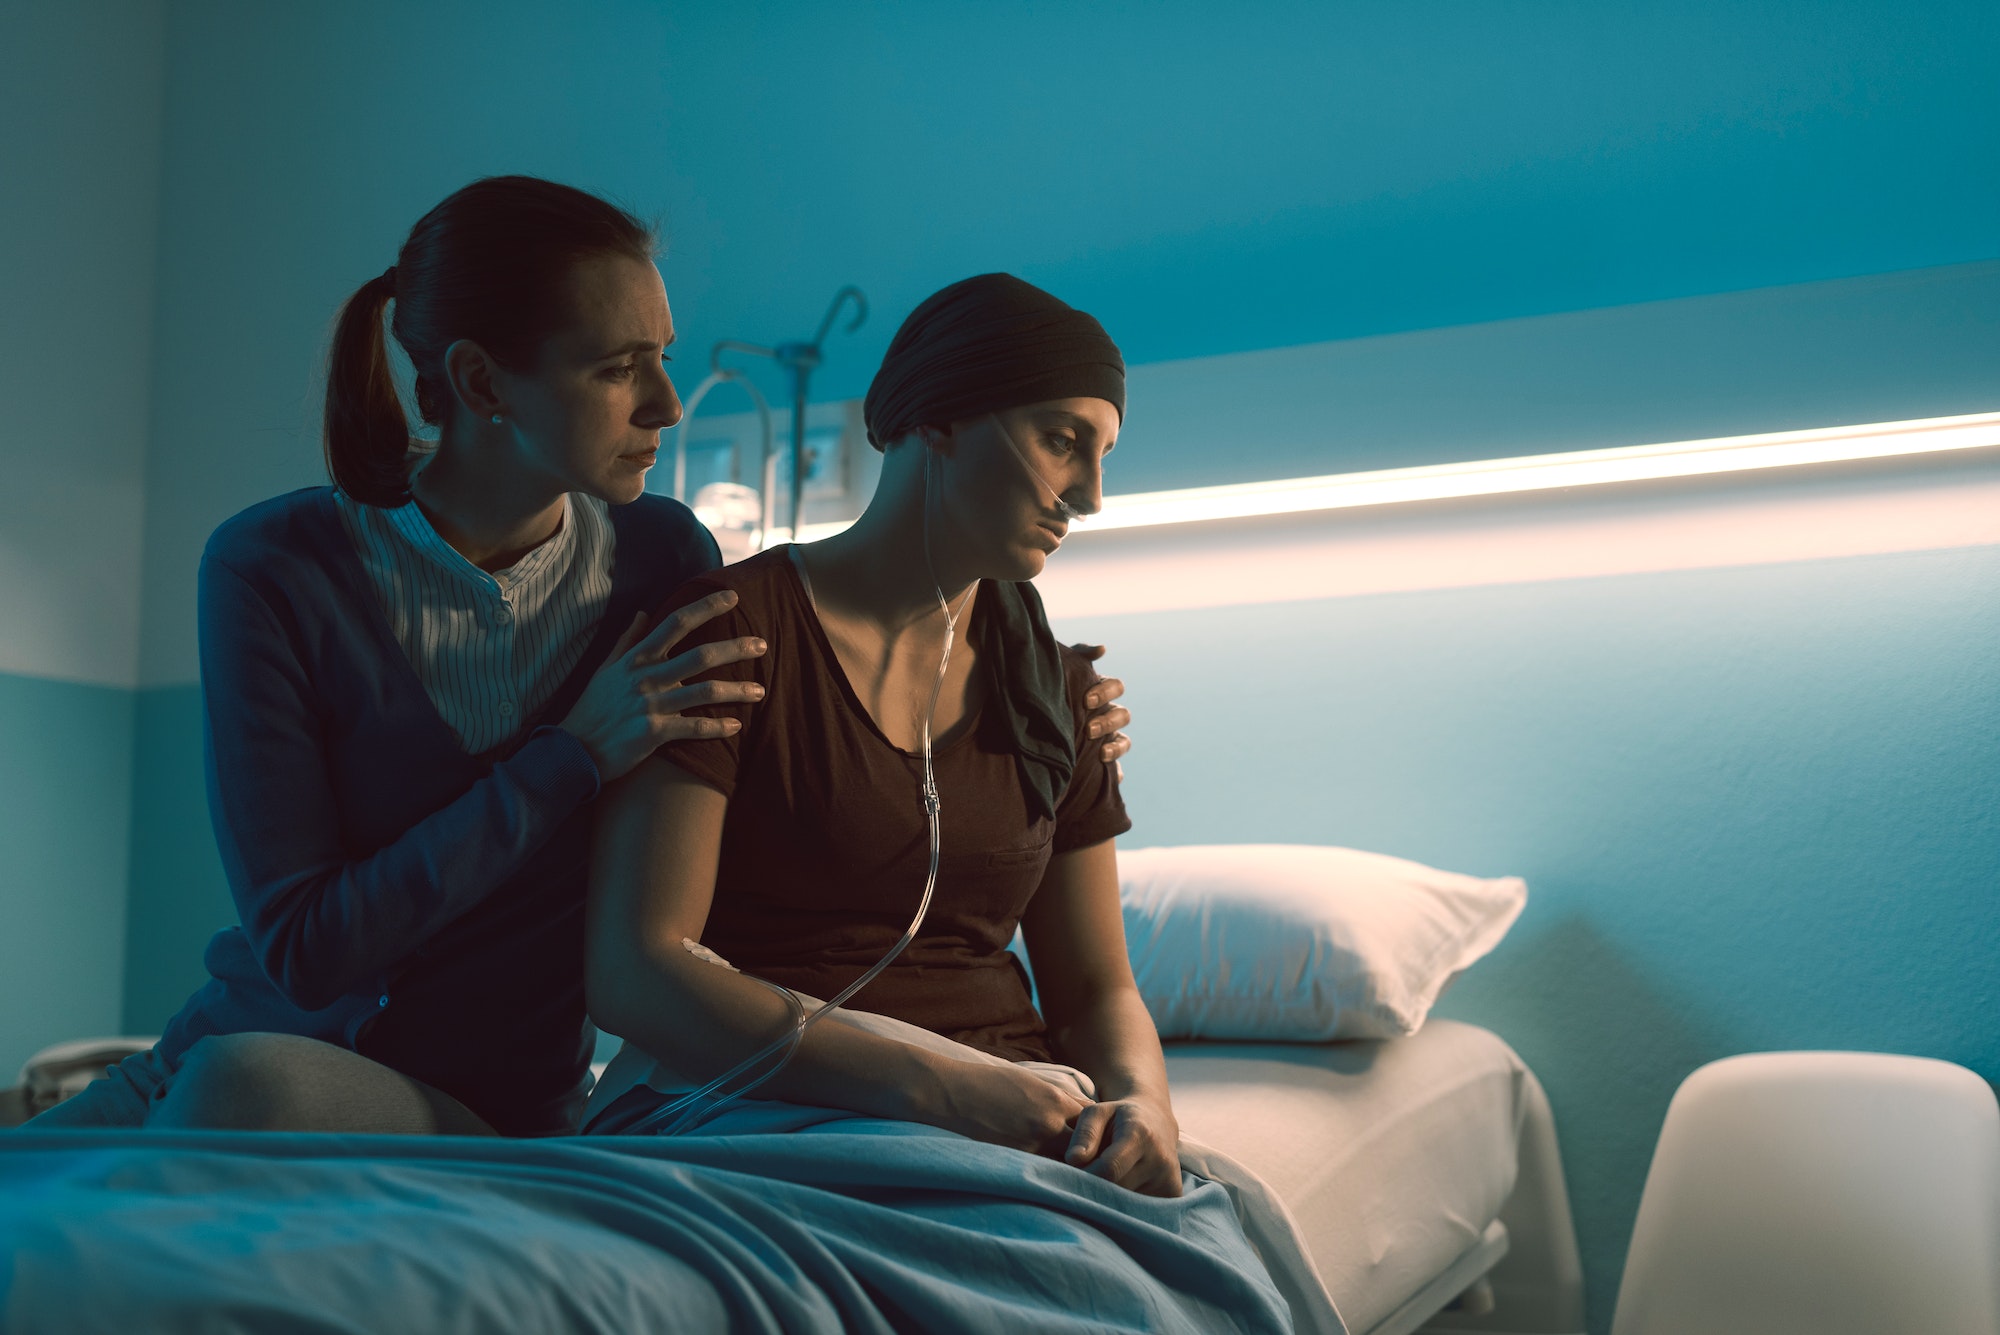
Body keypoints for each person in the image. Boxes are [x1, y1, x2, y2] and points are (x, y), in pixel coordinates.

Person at [26, 180, 1135, 1138]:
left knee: (234, 1099)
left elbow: (759, 835)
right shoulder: (278, 566)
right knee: (142, 1131)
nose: (662, 402)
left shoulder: (662, 561)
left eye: (662, 357)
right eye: (617, 368)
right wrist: (564, 758)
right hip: (244, 1054)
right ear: (481, 384)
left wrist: (1040, 717)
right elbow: (307, 950)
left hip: (475, 1110)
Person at [584, 274, 1180, 1197]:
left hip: (1026, 1120)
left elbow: (1099, 991)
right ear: (938, 419)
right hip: (762, 1106)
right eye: (1063, 441)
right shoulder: (734, 635)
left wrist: (1144, 1106)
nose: (1090, 496)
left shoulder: (1057, 689)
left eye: (1103, 454)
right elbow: (637, 969)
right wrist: (948, 1088)